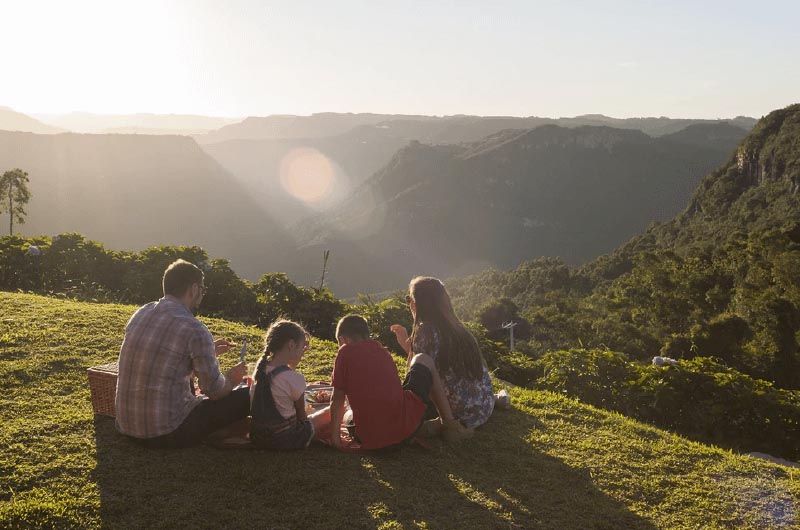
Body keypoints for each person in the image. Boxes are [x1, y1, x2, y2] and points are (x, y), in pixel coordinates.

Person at [115, 259, 249, 448]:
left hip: (127, 427)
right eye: (202, 290)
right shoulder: (194, 328)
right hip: (167, 431)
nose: (202, 294)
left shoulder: (141, 313)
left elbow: (167, 362)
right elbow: (215, 391)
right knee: (249, 395)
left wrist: (208, 353)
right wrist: (231, 379)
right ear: (194, 289)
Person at [329, 314, 471, 450]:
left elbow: (337, 399)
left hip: (372, 439)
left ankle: (429, 427)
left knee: (348, 413)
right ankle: (450, 425)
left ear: (342, 340)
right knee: (423, 358)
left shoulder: (344, 353)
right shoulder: (381, 350)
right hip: (406, 432)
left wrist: (335, 439)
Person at [391, 276, 495, 430]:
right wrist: (408, 343)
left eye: (410, 299)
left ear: (419, 303)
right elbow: (437, 362)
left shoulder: (426, 330)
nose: (409, 303)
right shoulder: (457, 327)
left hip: (459, 414)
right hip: (483, 407)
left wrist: (412, 342)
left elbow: (420, 372)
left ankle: (447, 424)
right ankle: (500, 399)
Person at [249, 319, 330, 450]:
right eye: (302, 346)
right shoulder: (294, 378)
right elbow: (301, 415)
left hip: (258, 436)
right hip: (284, 439)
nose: (303, 351)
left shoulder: (260, 371)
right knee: (331, 411)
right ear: (291, 345)